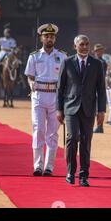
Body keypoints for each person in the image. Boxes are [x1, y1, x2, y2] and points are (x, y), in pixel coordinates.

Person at [56, 34, 106, 187]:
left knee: (86, 141)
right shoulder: (67, 62)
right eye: (82, 44)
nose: (85, 47)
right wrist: (59, 109)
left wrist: (101, 110)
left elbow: (101, 89)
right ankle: (70, 172)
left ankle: (84, 175)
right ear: (75, 46)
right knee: (72, 138)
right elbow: (60, 88)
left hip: (89, 109)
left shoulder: (97, 64)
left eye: (87, 44)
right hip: (70, 107)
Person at [24, 23, 67, 176]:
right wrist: (31, 84)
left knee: (52, 133)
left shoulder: (62, 56)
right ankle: (37, 165)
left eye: (52, 36)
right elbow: (30, 75)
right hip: (39, 96)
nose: (49, 38)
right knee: (38, 130)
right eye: (46, 36)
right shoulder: (34, 56)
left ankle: (49, 167)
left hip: (55, 97)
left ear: (54, 39)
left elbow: (66, 78)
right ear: (41, 38)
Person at [93, 44, 108, 133]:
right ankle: (99, 126)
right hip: (95, 86)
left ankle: (100, 126)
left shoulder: (101, 62)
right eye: (96, 51)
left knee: (99, 107)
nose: (98, 52)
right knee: (96, 107)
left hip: (98, 86)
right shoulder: (96, 61)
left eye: (99, 51)